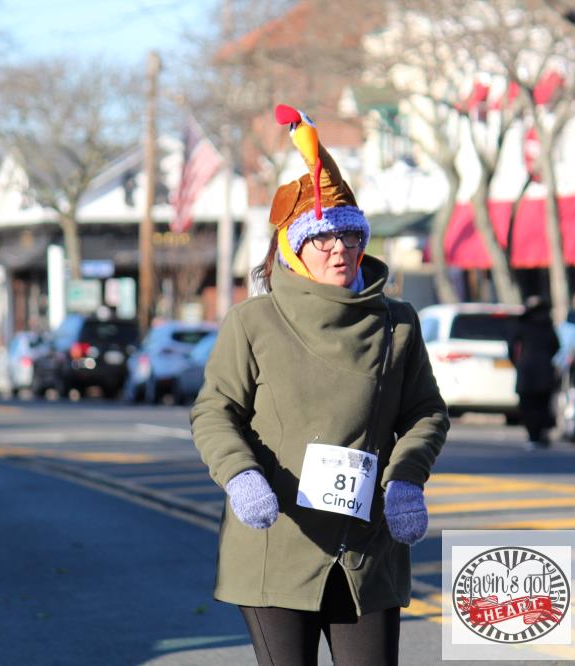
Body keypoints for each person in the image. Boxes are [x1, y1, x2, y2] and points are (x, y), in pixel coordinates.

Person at [190, 104, 449, 665]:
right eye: (324, 237)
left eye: (351, 235)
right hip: (276, 541)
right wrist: (241, 476)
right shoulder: (254, 322)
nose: (340, 249)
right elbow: (214, 412)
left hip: (367, 547)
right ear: (294, 246)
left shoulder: (398, 322)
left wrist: (407, 478)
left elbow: (426, 412)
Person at [508, 296, 560, 448]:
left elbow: (511, 347)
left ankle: (533, 435)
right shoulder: (548, 326)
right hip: (544, 370)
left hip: (527, 370)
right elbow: (556, 346)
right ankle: (540, 433)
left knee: (528, 405)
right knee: (542, 404)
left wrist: (517, 363)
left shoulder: (522, 325)